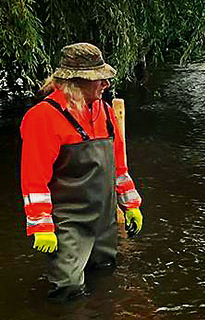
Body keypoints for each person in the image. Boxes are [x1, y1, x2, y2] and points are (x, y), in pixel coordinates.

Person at [20, 42, 143, 301]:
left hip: (103, 219)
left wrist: (130, 204)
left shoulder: (106, 112)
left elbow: (119, 167)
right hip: (68, 222)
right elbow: (33, 178)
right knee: (68, 289)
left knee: (105, 278)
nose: (105, 85)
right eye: (98, 80)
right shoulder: (43, 118)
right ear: (76, 82)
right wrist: (41, 224)